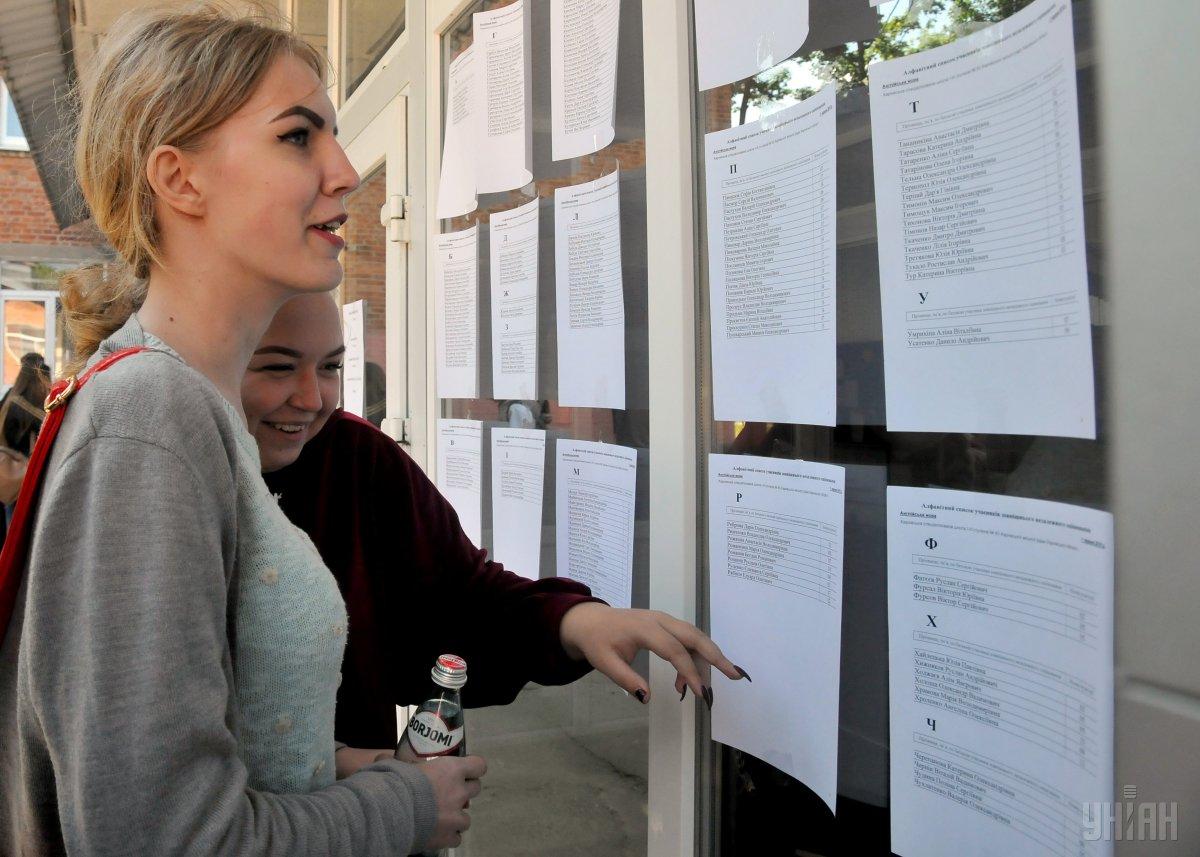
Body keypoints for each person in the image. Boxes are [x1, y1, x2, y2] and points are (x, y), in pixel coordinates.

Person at [0, 6, 478, 854]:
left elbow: (189, 748)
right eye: (298, 137)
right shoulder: (152, 416)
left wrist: (332, 768)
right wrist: (404, 807)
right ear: (179, 180)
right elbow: (162, 837)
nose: (345, 170)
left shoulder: (187, 406)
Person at [243, 293, 751, 767]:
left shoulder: (355, 454)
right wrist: (351, 775)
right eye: (278, 367)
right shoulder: (175, 471)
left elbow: (457, 598)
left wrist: (575, 623)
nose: (312, 398)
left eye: (331, 366)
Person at [0, 353, 51, 528]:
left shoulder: (10, 397)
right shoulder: (45, 402)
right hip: (35, 478)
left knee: (11, 527)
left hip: (10, 473)